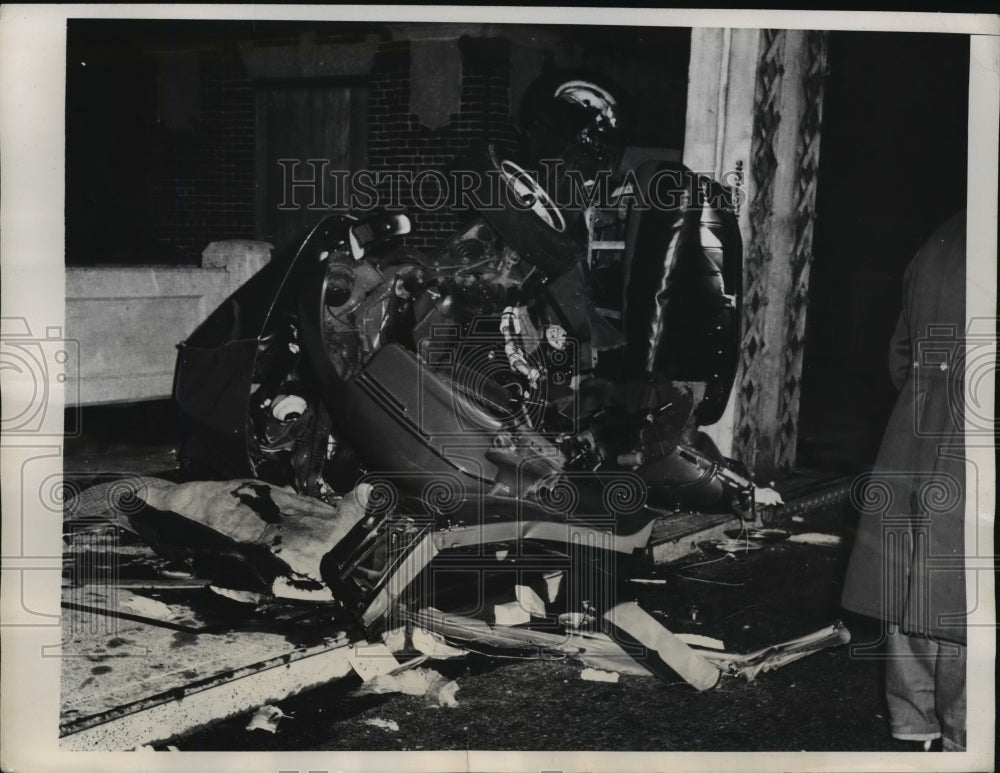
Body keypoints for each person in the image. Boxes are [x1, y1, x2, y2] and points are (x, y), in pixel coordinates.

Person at [841, 211, 967, 751]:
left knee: (910, 576)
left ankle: (914, 723)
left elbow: (899, 351)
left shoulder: (941, 237)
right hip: (974, 428)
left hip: (913, 426)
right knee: (965, 589)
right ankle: (966, 733)